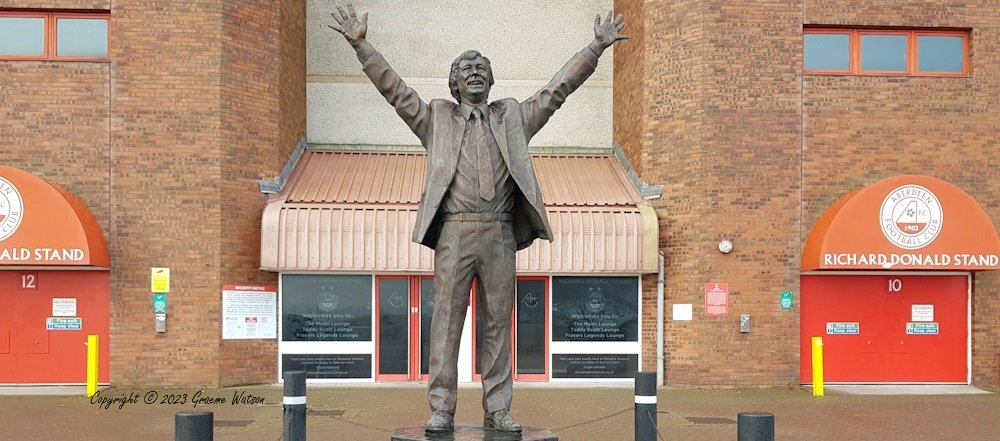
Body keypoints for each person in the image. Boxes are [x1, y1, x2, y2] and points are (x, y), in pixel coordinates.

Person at [328, 3, 628, 433]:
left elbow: (557, 90)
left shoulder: (514, 119)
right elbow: (394, 90)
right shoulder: (436, 118)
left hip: (500, 231)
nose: (474, 72)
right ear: (454, 82)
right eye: (466, 68)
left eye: (481, 67)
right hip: (454, 231)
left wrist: (595, 48)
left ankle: (498, 408)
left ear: (490, 80)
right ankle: (442, 408)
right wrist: (362, 46)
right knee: (447, 323)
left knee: (498, 324)